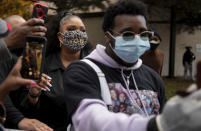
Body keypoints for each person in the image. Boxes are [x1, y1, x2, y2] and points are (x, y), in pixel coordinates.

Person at [63, 0, 166, 130]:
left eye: (143, 34)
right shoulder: (82, 71)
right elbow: (90, 119)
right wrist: (151, 125)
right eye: (127, 34)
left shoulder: (153, 77)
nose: (137, 39)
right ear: (108, 36)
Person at [19, 11, 92, 130]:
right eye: (71, 29)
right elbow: (26, 112)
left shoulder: (95, 63)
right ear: (60, 36)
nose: (78, 33)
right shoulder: (40, 64)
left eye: (82, 30)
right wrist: (33, 93)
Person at [1, 15, 53, 131]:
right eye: (19, 31)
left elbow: (28, 107)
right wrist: (19, 119)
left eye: (27, 30)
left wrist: (33, 94)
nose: (24, 35)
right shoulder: (4, 57)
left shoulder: (32, 56)